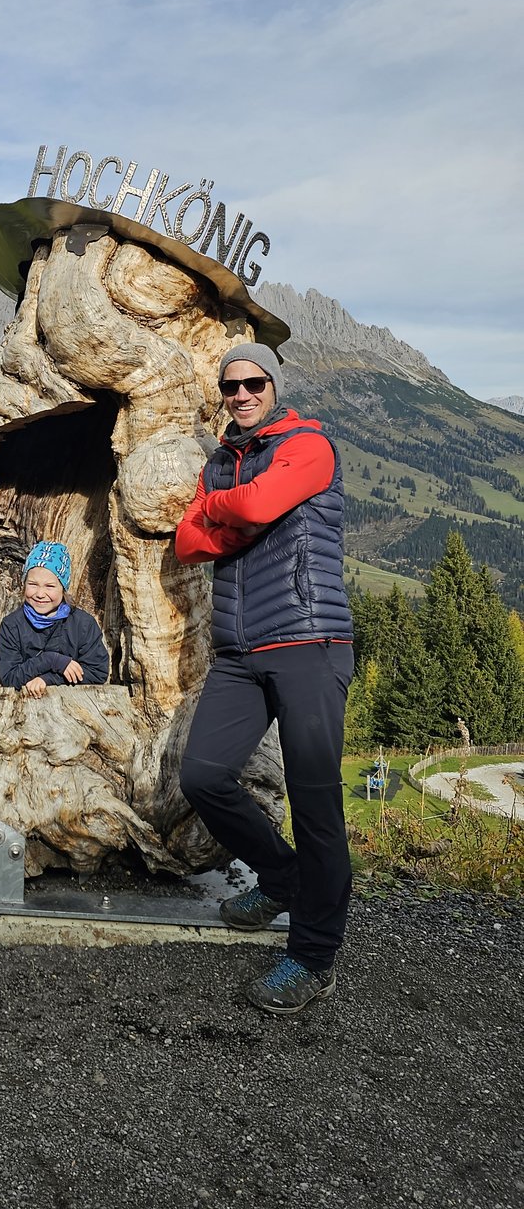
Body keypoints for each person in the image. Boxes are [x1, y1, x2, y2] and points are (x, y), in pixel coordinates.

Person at [175, 342, 354, 1015]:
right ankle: (281, 877)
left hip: (310, 643)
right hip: (241, 652)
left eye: (254, 382)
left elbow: (240, 513)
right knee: (204, 776)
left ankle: (312, 957)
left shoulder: (310, 446)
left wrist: (227, 510)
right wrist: (239, 508)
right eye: (231, 386)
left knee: (316, 807)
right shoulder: (221, 460)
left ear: (274, 386)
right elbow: (188, 543)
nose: (242, 394)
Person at [0, 540, 109, 696]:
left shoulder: (83, 624)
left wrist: (48, 679)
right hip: (23, 710)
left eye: (50, 586)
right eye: (33, 584)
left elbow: (97, 673)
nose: (40, 594)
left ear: (63, 588)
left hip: (74, 711)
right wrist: (51, 660)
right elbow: (9, 678)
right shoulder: (11, 625)